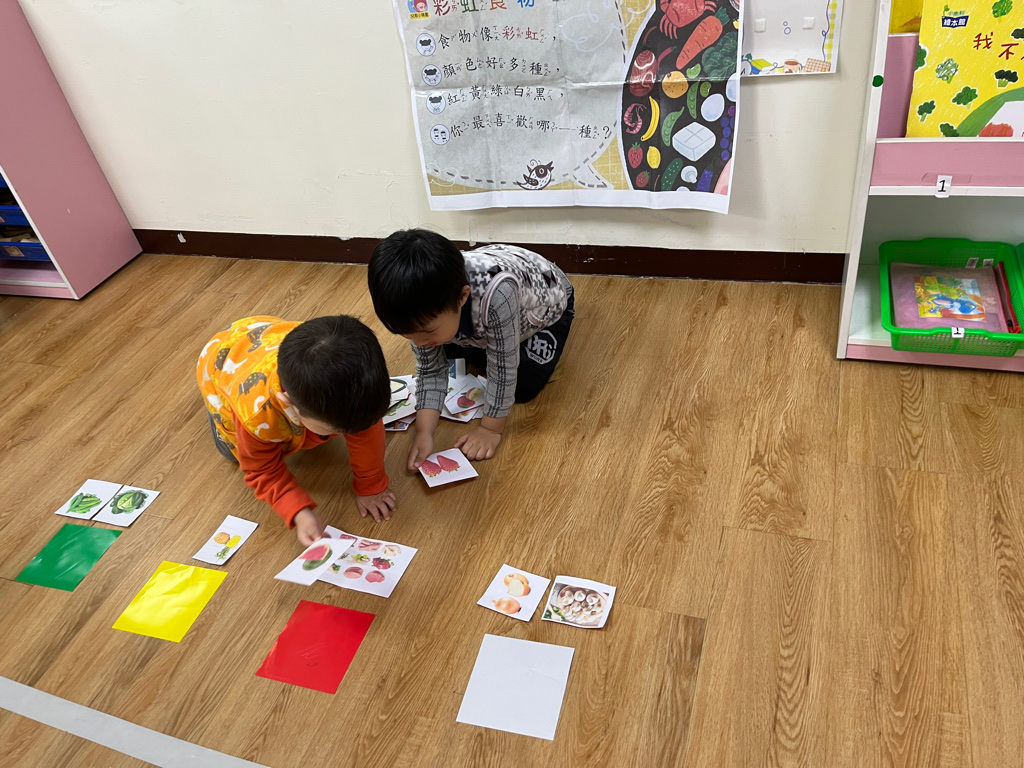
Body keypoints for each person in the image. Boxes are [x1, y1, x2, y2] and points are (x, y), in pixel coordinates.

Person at [368, 229, 574, 468]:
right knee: (443, 346)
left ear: (462, 296)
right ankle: (469, 338)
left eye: (426, 331)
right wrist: (424, 432)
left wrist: (490, 429)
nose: (418, 341)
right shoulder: (423, 306)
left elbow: (504, 368)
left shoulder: (498, 296)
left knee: (523, 385)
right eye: (405, 333)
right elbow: (430, 369)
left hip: (548, 299)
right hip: (489, 298)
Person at [196, 315, 395, 545]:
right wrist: (298, 510)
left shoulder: (354, 381)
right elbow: (262, 470)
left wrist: (371, 486)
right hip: (217, 367)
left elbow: (367, 433)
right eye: (334, 430)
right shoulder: (255, 414)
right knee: (235, 452)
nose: (350, 434)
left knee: (342, 421)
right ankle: (223, 418)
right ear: (288, 401)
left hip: (264, 334)